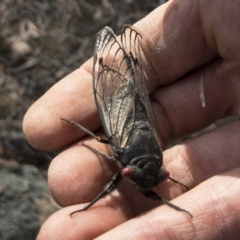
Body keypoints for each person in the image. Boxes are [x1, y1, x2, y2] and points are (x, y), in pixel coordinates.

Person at [23, 1, 240, 239]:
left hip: (126, 117)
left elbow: (107, 149)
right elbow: (102, 144)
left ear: (127, 170)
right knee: (97, 131)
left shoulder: (141, 158)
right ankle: (89, 207)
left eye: (128, 172)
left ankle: (89, 207)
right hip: (124, 110)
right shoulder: (139, 159)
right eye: (164, 174)